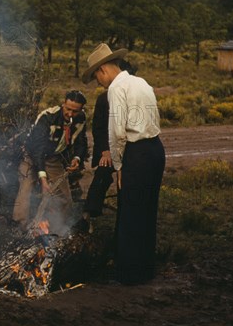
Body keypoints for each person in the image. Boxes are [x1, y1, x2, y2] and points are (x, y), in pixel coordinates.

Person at [82, 44, 165, 285]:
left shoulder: (116, 89)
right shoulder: (142, 83)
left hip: (136, 153)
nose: (98, 82)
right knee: (147, 210)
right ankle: (145, 268)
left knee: (129, 213)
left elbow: (117, 132)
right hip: (155, 150)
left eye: (96, 76)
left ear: (103, 69)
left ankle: (129, 274)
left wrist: (118, 167)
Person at [12, 90, 89, 234]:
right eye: (68, 109)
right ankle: (21, 229)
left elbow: (81, 142)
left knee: (64, 197)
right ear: (63, 104)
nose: (70, 114)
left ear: (81, 110)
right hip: (31, 155)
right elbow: (38, 149)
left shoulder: (81, 119)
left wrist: (76, 158)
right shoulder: (48, 117)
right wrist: (43, 178)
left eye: (75, 111)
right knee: (26, 187)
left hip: (53, 158)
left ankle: (55, 230)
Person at [82, 60, 137, 220]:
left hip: (128, 147)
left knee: (126, 182)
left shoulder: (134, 95)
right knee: (102, 174)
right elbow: (99, 129)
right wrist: (106, 151)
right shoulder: (104, 98)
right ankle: (90, 212)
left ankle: (124, 213)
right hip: (108, 147)